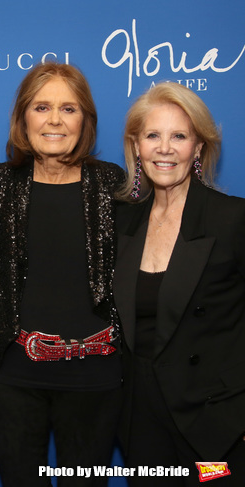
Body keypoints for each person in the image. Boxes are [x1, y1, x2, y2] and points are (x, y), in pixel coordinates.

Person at [0, 62, 124, 487]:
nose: (55, 120)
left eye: (69, 108)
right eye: (42, 107)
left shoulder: (112, 183)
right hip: (15, 381)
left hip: (96, 382)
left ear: (86, 121)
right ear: (23, 117)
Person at [114, 82, 245, 485]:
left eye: (179, 136)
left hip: (214, 425)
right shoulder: (124, 221)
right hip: (142, 422)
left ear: (198, 148)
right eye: (153, 135)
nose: (165, 149)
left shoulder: (232, 220)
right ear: (136, 147)